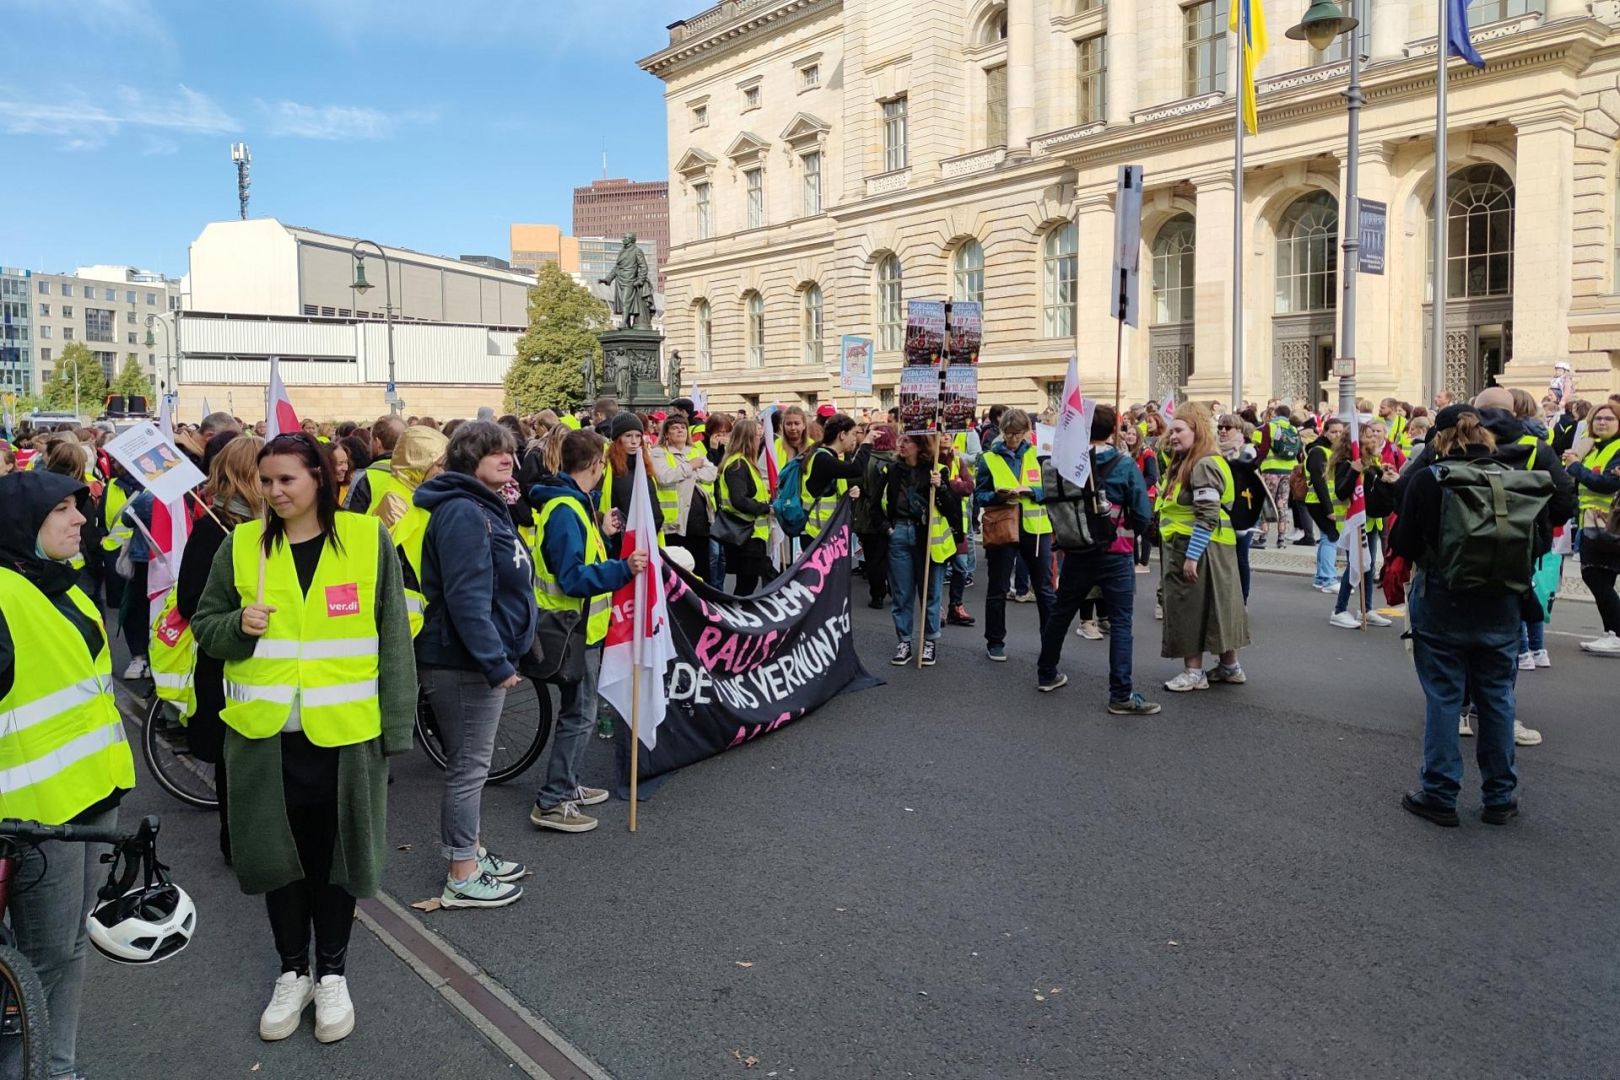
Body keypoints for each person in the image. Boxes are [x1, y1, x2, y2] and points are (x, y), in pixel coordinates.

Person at [191, 431, 416, 1044]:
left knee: (334, 862)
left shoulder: (368, 541)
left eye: (287, 479)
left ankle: (333, 973)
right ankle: (292, 971)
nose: (274, 491)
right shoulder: (240, 546)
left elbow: (394, 640)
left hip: (344, 738)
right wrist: (238, 624)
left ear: (320, 477)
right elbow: (204, 627)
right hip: (264, 740)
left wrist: (397, 730)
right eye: (266, 481)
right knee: (279, 864)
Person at [0, 469, 136, 1080]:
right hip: (30, 815)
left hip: (86, 801)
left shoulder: (67, 587)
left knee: (65, 951)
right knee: (43, 960)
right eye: (62, 509)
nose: (81, 518)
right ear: (21, 525)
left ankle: (57, 1067)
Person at [412, 421, 537, 907]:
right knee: (469, 767)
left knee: (472, 766)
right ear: (469, 457)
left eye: (509, 451)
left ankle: (472, 850)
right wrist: (495, 661)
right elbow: (467, 599)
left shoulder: (481, 505)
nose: (507, 459)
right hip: (462, 661)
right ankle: (462, 872)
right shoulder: (465, 511)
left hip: (471, 657)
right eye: (494, 452)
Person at [1392, 406, 1535, 827]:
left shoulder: (1430, 479)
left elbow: (1404, 541)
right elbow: (1537, 539)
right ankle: (1500, 796)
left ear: (1440, 438)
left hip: (1443, 599)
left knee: (1444, 696)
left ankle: (1439, 793)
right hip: (1503, 602)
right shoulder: (1515, 478)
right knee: (1496, 697)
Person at [527, 429, 645, 833]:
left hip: (576, 625)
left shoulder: (572, 505)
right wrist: (622, 569)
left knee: (580, 713)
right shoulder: (565, 509)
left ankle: (568, 784)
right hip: (569, 627)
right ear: (596, 465)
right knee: (580, 715)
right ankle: (553, 798)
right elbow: (573, 577)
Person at [1035, 405, 1160, 714]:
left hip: (1075, 549)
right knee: (1120, 622)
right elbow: (1143, 513)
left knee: (1062, 613)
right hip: (1115, 552)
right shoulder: (1123, 464)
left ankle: (1047, 673)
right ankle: (1121, 694)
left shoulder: (1064, 464)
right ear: (1112, 430)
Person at [175, 434, 265, 863]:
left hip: (266, 666)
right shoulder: (215, 526)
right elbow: (190, 599)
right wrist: (237, 615)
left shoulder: (272, 527)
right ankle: (238, 842)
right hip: (225, 660)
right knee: (234, 757)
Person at [1157, 403, 1249, 691]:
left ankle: (1193, 673)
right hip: (1215, 546)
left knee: (1189, 609)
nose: (1172, 436)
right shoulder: (1200, 460)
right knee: (1220, 607)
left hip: (1196, 546)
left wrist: (1191, 556)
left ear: (1195, 430)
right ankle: (1230, 667)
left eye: (1178, 430)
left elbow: (1207, 515)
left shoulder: (1203, 463)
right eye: (1171, 430)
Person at [976, 408, 1055, 660]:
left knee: (1044, 588)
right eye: (1008, 434)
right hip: (1003, 525)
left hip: (1036, 528)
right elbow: (979, 495)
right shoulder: (988, 458)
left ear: (1027, 432)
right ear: (1001, 432)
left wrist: (1033, 492)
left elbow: (1052, 491)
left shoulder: (1040, 455)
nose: (1012, 439)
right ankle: (995, 641)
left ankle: (1050, 640)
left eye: (1017, 434)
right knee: (998, 587)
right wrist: (997, 496)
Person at [884, 434, 961, 666]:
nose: (901, 444)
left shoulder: (937, 470)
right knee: (902, 593)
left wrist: (942, 487)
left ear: (920, 445)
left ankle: (929, 641)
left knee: (930, 593)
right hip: (899, 533)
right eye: (901, 440)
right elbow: (878, 500)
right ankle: (904, 640)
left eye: (907, 441)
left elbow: (952, 509)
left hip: (928, 538)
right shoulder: (892, 470)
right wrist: (887, 528)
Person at [1565, 401, 1620, 655]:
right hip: (1593, 521)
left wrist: (1576, 467)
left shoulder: (1617, 449)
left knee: (1594, 575)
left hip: (1609, 522)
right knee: (1602, 575)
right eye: (1598, 419)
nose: (1602, 422)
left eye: (1609, 419)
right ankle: (1612, 632)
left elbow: (1606, 483)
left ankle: (1617, 633)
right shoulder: (1594, 447)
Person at [651, 414, 718, 574]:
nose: (680, 430)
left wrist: (689, 473)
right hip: (675, 522)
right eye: (674, 428)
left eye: (683, 427)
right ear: (666, 433)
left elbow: (711, 473)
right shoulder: (659, 453)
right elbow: (664, 476)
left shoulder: (694, 451)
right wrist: (690, 467)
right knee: (680, 569)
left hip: (701, 522)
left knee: (702, 567)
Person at [717, 418, 775, 595]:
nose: (759, 441)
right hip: (746, 532)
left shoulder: (743, 462)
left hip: (749, 532)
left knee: (748, 582)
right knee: (748, 583)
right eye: (757, 437)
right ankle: (737, 616)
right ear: (749, 439)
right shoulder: (738, 464)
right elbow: (739, 500)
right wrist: (765, 508)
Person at [853, 424, 897, 609]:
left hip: (867, 514)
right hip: (892, 516)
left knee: (873, 558)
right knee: (892, 556)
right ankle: (895, 590)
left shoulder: (865, 460)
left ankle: (877, 594)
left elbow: (853, 481)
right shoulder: (897, 461)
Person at [1303, 417, 1346, 591]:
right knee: (1331, 537)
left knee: (1327, 538)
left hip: (1323, 501)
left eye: (1340, 432)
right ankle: (1328, 578)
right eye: (1334, 431)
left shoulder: (1331, 451)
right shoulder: (1318, 451)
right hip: (1318, 501)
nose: (1337, 435)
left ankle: (1322, 577)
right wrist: (1328, 509)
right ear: (1325, 432)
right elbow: (1318, 481)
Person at [1253, 403, 1302, 549]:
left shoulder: (1270, 426)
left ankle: (1263, 536)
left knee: (1267, 502)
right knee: (1283, 504)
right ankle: (1281, 539)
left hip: (1271, 469)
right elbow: (1298, 449)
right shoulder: (1293, 428)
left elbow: (1265, 448)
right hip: (1288, 470)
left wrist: (1256, 464)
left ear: (1276, 413)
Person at [344, 415, 407, 512]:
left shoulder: (363, 478)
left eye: (370, 440)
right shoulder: (418, 474)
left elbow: (351, 519)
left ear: (378, 443)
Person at [1121, 423, 1159, 573]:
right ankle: (1135, 560)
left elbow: (1152, 476)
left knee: (1144, 528)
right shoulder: (1125, 454)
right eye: (1128, 434)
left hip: (1146, 495)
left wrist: (1138, 487)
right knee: (1132, 527)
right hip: (1131, 495)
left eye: (1133, 434)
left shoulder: (1146, 453)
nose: (1130, 436)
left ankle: (1144, 562)